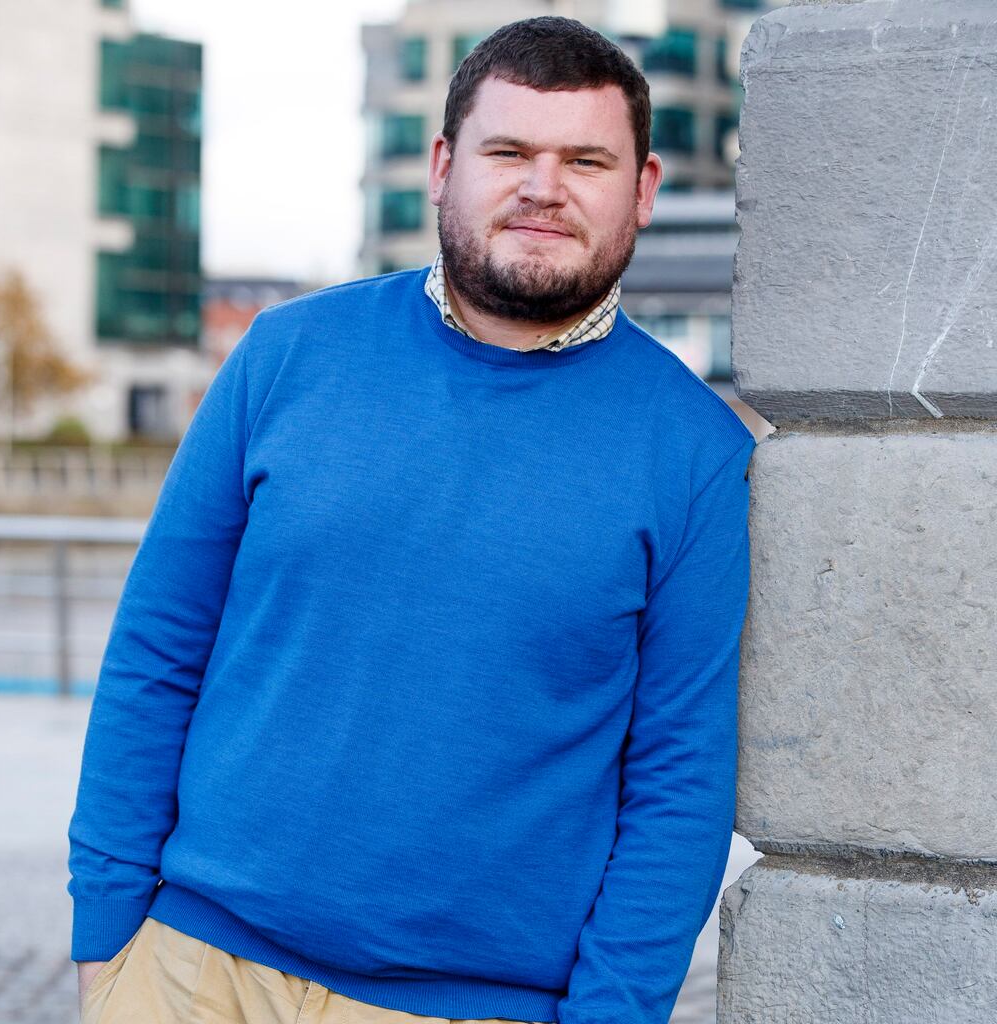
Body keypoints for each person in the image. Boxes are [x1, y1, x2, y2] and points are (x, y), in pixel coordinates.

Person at [68, 15, 756, 1024]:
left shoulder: (697, 454)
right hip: (189, 969)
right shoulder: (285, 355)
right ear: (442, 165)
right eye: (508, 151)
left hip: (473, 1003)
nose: (542, 186)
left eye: (585, 159)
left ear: (642, 188)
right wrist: (106, 935)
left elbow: (679, 786)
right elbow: (157, 648)